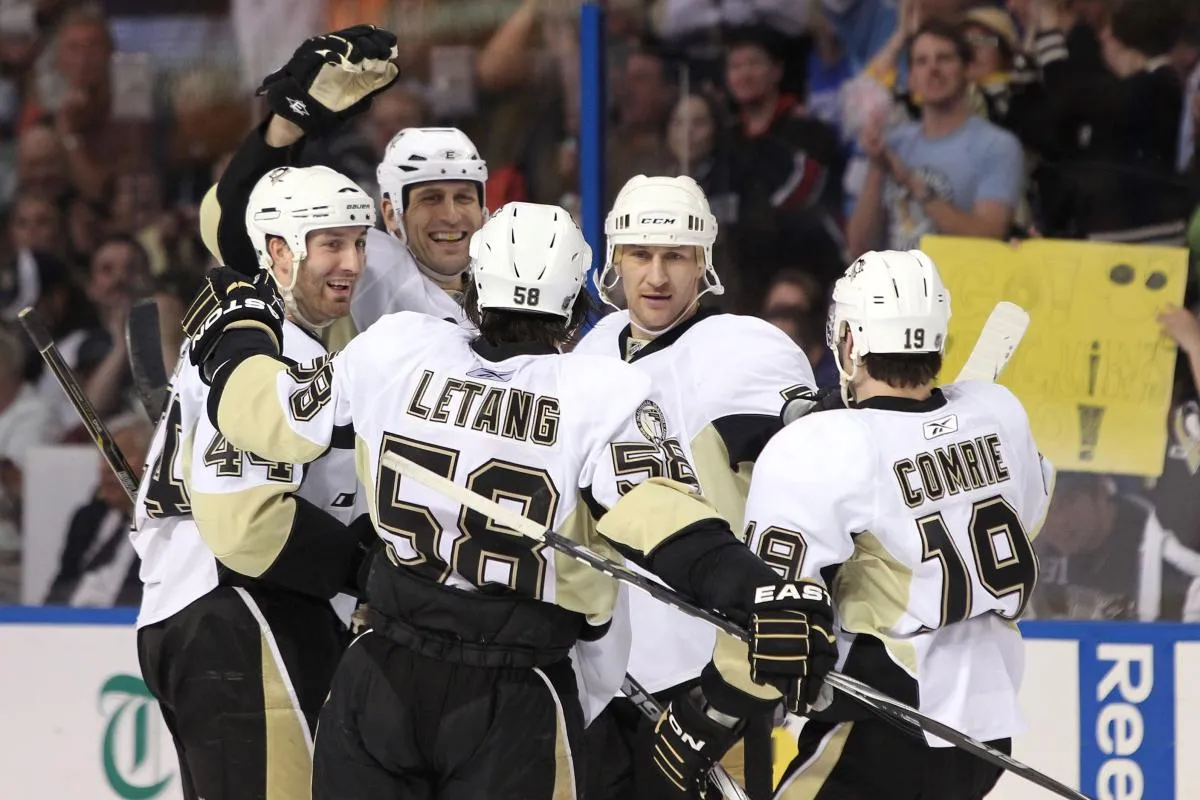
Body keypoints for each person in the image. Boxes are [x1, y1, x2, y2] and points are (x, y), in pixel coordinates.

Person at [182, 200, 838, 800]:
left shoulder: (397, 350)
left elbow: (257, 415)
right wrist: (761, 594)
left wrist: (238, 332)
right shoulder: (599, 391)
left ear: (473, 287)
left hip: (379, 675)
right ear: (578, 303)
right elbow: (674, 534)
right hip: (514, 697)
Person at [132, 25, 399, 800]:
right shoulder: (261, 346)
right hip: (234, 609)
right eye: (328, 244)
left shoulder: (261, 317)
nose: (350, 262)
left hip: (212, 611)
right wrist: (374, 575)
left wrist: (289, 126)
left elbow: (240, 219)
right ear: (279, 253)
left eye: (357, 242)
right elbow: (251, 527)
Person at [740, 250, 1053, 799]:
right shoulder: (999, 411)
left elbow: (778, 599)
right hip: (988, 717)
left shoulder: (822, 445)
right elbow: (1031, 507)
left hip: (889, 715)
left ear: (851, 341)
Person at [573, 174, 817, 798]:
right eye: (640, 256)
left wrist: (733, 693)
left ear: (703, 261)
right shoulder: (592, 350)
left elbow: (808, 488)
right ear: (615, 261)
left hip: (707, 674)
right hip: (606, 672)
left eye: (675, 256)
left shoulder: (743, 350)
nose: (656, 277)